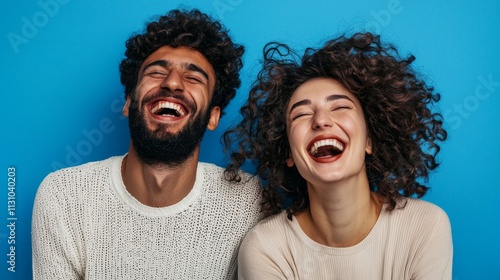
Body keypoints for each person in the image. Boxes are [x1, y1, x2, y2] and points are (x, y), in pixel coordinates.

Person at [32, 9, 261, 279]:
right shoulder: (64, 196)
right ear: (129, 103)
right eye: (156, 72)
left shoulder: (247, 200)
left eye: (193, 77)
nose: (172, 82)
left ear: (213, 116)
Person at [224, 32, 453, 279]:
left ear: (369, 139)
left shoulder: (425, 226)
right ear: (288, 152)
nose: (321, 120)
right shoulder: (266, 248)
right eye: (301, 114)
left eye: (340, 107)